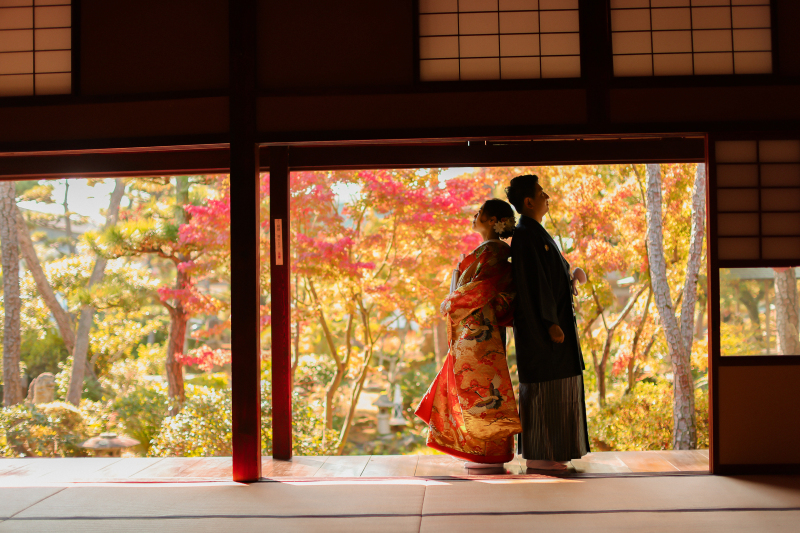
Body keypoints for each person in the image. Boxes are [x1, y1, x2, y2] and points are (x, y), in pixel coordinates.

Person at [415, 199, 522, 468]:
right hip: (475, 328)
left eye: (479, 212)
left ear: (491, 220)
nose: (474, 215)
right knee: (474, 389)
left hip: (481, 332)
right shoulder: (487, 251)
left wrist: (452, 301)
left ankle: (488, 452)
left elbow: (486, 287)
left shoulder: (495, 252)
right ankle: (479, 450)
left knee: (484, 390)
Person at [505, 174, 590, 471]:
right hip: (542, 330)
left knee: (558, 388)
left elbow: (549, 277)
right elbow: (534, 285)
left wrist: (569, 275)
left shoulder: (535, 232)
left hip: (552, 324)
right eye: (542, 193)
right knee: (546, 389)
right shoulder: (526, 235)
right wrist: (550, 322)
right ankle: (544, 454)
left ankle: (553, 453)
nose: (547, 197)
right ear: (528, 201)